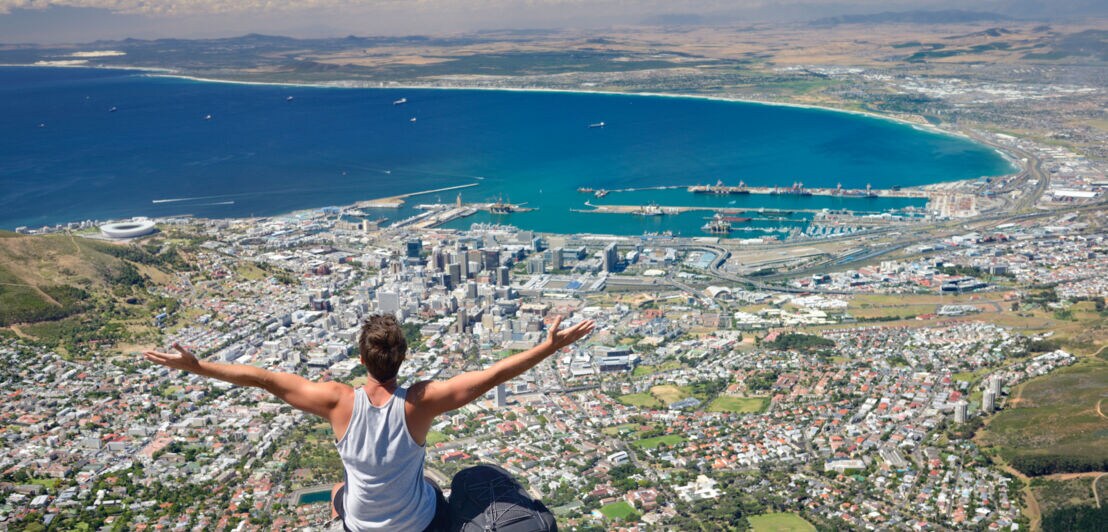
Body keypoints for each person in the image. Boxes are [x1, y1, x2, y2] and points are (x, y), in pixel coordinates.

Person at [143, 313, 595, 531]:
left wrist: (197, 366)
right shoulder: (420, 401)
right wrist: (550, 346)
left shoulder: (338, 401)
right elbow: (493, 375)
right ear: (402, 359)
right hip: (418, 524)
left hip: (360, 525)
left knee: (340, 491)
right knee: (437, 492)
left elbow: (263, 379)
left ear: (361, 359)